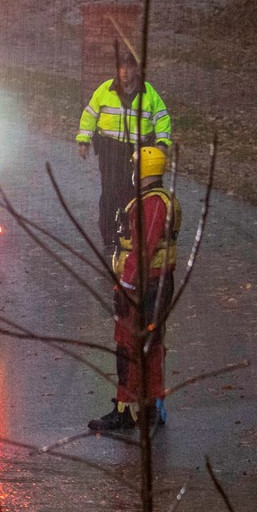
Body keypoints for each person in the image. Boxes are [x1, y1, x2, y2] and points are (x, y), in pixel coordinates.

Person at [90, 146, 181, 432]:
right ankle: (149, 406)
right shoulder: (155, 201)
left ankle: (126, 409)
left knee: (129, 345)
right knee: (151, 345)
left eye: (134, 167)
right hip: (155, 283)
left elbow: (141, 251)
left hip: (145, 286)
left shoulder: (151, 205)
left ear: (142, 170)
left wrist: (124, 286)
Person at [76, 46, 172, 252]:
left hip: (138, 151)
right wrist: (83, 140)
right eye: (121, 67)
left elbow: (162, 117)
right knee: (110, 192)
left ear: (136, 69)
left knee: (133, 193)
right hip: (110, 149)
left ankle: (131, 235)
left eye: (129, 67)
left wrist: (162, 143)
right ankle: (109, 237)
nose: (125, 72)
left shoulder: (148, 93)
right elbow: (89, 115)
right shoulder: (105, 90)